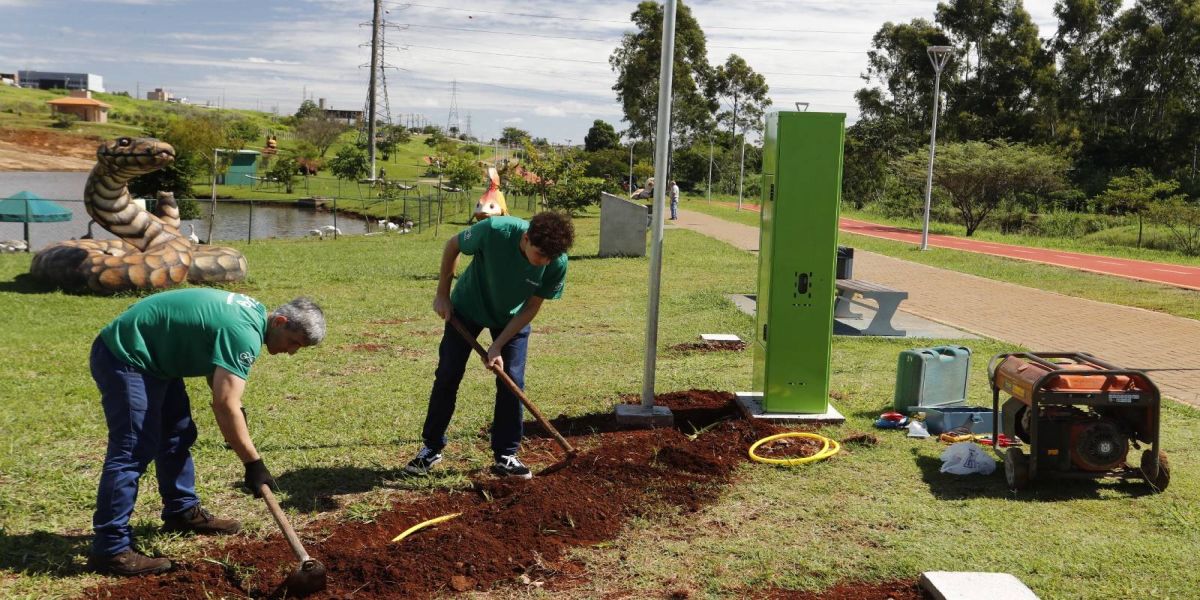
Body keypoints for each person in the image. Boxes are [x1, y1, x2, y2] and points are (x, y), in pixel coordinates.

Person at [86, 289, 325, 576]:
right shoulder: (244, 332)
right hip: (128, 356)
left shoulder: (255, 315)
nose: (291, 351)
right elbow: (224, 404)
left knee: (177, 435)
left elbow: (218, 372)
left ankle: (181, 512)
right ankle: (110, 549)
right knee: (132, 451)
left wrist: (235, 411)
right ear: (280, 321)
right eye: (293, 342)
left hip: (159, 358)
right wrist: (254, 464)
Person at [406, 212, 575, 480]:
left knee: (512, 382)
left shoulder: (556, 261)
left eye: (550, 258)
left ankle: (506, 455)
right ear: (526, 238)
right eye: (540, 254)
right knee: (448, 374)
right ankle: (431, 447)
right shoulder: (495, 229)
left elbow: (532, 306)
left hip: (511, 319)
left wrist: (497, 345)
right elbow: (453, 245)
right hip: (467, 308)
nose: (544, 262)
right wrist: (442, 294)